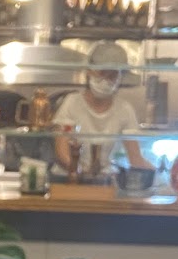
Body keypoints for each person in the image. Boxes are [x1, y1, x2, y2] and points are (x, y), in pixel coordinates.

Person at [53, 41, 154, 179]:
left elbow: (135, 158)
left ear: (120, 77)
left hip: (105, 181)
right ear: (89, 72)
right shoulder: (71, 103)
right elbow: (62, 151)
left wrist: (160, 176)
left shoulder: (125, 109)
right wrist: (81, 173)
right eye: (102, 73)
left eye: (113, 75)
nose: (106, 80)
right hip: (69, 179)